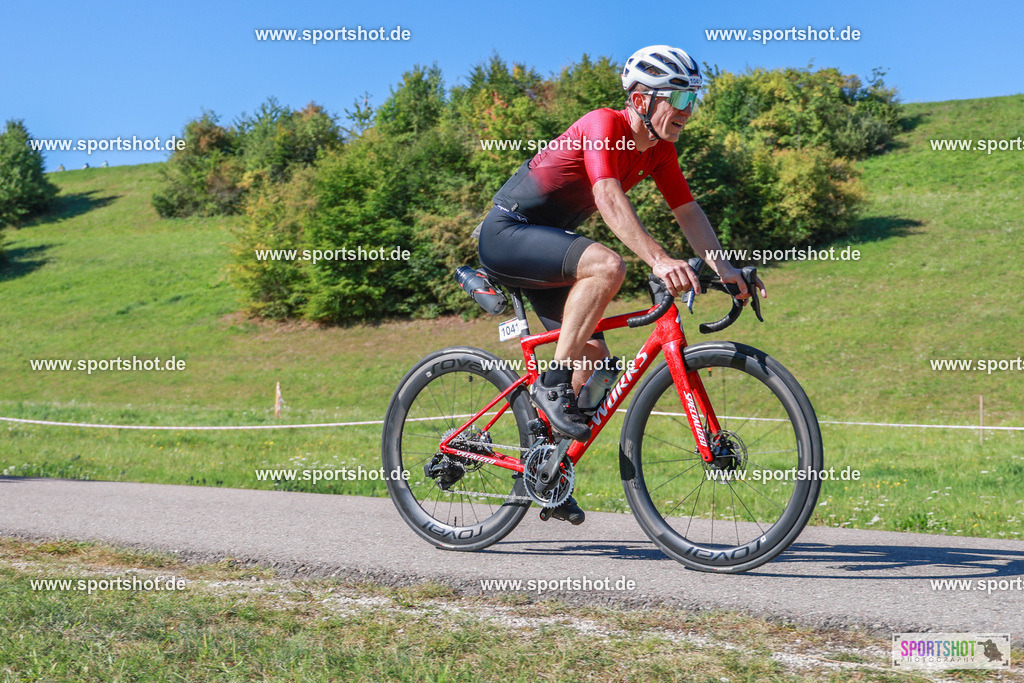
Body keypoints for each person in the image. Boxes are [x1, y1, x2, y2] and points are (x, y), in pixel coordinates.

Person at [478, 44, 765, 447]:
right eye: (678, 97)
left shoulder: (661, 151)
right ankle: (553, 383)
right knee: (607, 266)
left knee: (595, 363)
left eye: (692, 98)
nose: (688, 109)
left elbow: (688, 212)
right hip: (508, 234)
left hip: (553, 251)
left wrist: (725, 269)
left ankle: (546, 469)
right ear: (639, 100)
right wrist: (660, 260)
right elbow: (608, 195)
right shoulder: (603, 125)